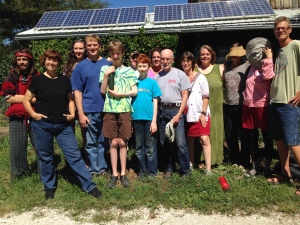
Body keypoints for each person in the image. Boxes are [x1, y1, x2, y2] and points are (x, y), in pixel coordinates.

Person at [23, 49, 101, 199]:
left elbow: (70, 99)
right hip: (42, 125)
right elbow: (26, 99)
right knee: (46, 157)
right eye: (48, 60)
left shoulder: (64, 80)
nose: (51, 63)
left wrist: (72, 114)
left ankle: (89, 186)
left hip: (63, 126)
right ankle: (49, 187)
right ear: (44, 61)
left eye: (54, 60)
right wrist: (33, 114)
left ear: (58, 63)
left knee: (74, 156)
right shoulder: (38, 80)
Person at [266, 16, 300, 195]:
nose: (280, 30)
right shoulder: (279, 51)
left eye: (283, 28)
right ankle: (285, 173)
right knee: (280, 140)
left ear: (290, 30)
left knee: (293, 142)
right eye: (277, 28)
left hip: (289, 102)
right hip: (275, 102)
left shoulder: (296, 45)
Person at [71, 34, 111, 176]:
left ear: (100, 47)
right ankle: (94, 169)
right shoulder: (80, 67)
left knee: (103, 141)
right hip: (88, 110)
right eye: (89, 45)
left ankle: (103, 167)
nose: (92, 47)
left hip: (106, 109)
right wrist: (80, 113)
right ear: (86, 47)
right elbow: (77, 91)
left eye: (95, 45)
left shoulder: (108, 64)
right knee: (90, 142)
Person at [100, 39, 138, 188]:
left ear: (122, 54)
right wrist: (106, 76)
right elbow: (103, 91)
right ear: (109, 54)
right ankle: (114, 174)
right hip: (109, 110)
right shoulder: (105, 69)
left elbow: (134, 91)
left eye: (118, 53)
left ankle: (123, 174)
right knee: (113, 142)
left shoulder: (129, 71)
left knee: (123, 142)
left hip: (124, 109)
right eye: (113, 54)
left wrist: (120, 94)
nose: (115, 56)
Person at [0, 48, 39, 180]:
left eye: (24, 59)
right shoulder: (11, 75)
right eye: (19, 59)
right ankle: (19, 176)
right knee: (17, 147)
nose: (21, 62)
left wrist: (20, 97)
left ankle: (43, 173)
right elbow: (8, 97)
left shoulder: (37, 76)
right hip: (17, 115)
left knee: (41, 145)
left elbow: (40, 96)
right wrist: (28, 98)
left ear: (30, 60)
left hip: (35, 114)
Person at [155, 49, 191, 178]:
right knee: (165, 143)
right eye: (162, 59)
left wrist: (179, 114)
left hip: (176, 111)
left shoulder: (180, 74)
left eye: (167, 59)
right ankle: (169, 168)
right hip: (162, 112)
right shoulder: (157, 77)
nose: (165, 61)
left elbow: (185, 96)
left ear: (172, 59)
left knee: (180, 143)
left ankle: (185, 170)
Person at [242, 37, 274, 177]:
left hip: (263, 106)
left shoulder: (268, 66)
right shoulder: (251, 67)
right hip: (248, 106)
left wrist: (269, 58)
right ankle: (255, 165)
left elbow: (268, 76)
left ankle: (267, 166)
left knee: (267, 137)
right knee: (252, 137)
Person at [180, 51, 212, 175]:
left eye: (188, 61)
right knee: (189, 140)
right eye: (183, 61)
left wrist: (203, 113)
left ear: (193, 62)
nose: (186, 63)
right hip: (187, 114)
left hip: (199, 112)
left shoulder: (200, 77)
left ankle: (208, 169)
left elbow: (206, 96)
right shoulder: (180, 76)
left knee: (204, 139)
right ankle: (190, 163)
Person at [131, 54, 162, 179]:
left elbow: (155, 102)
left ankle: (152, 172)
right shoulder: (133, 82)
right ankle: (141, 172)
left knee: (150, 148)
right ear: (136, 67)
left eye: (144, 66)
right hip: (136, 118)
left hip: (149, 119)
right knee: (138, 147)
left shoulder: (152, 83)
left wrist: (154, 121)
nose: (142, 68)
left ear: (148, 67)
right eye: (140, 66)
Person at [223, 43, 250, 167]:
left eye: (237, 55)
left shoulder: (247, 66)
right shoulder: (225, 67)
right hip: (227, 104)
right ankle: (234, 158)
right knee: (230, 133)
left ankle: (244, 160)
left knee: (243, 134)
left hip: (241, 104)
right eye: (233, 55)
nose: (235, 57)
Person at [197, 45, 224, 165]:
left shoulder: (220, 68)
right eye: (202, 54)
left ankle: (216, 159)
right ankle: (201, 159)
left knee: (216, 131)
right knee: (202, 133)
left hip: (216, 107)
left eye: (207, 54)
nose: (205, 56)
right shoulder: (195, 69)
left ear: (212, 55)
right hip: (200, 108)